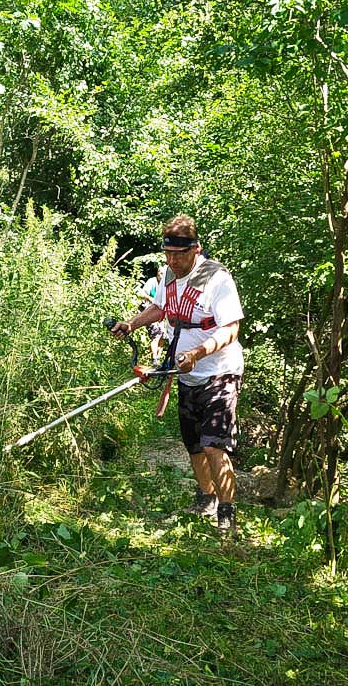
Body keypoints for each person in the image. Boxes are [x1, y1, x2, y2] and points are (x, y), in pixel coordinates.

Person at [109, 215, 244, 535]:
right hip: (185, 373)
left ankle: (227, 514)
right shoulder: (169, 276)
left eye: (179, 255)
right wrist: (131, 324)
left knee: (214, 445)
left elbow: (232, 330)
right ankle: (206, 497)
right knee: (194, 444)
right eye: (168, 254)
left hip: (220, 372)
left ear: (196, 249)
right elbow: (159, 309)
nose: (172, 261)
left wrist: (198, 353)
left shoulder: (217, 279)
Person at [138, 265, 169, 365]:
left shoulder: (168, 283)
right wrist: (152, 299)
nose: (162, 275)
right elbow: (141, 294)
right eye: (160, 273)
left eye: (164, 274)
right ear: (157, 273)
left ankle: (159, 358)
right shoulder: (152, 282)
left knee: (163, 336)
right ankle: (154, 359)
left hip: (164, 312)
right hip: (150, 311)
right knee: (156, 334)